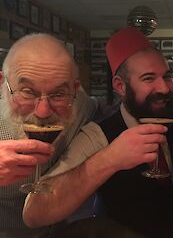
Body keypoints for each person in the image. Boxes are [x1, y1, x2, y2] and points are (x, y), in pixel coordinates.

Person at [23, 27, 173, 238]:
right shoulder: (97, 135)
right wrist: (110, 158)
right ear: (120, 86)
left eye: (166, 77)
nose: (164, 88)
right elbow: (34, 214)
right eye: (148, 78)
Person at [0, 33, 102, 238]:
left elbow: (104, 111)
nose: (43, 111)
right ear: (3, 83)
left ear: (74, 90)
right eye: (27, 91)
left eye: (57, 94)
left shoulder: (81, 105)